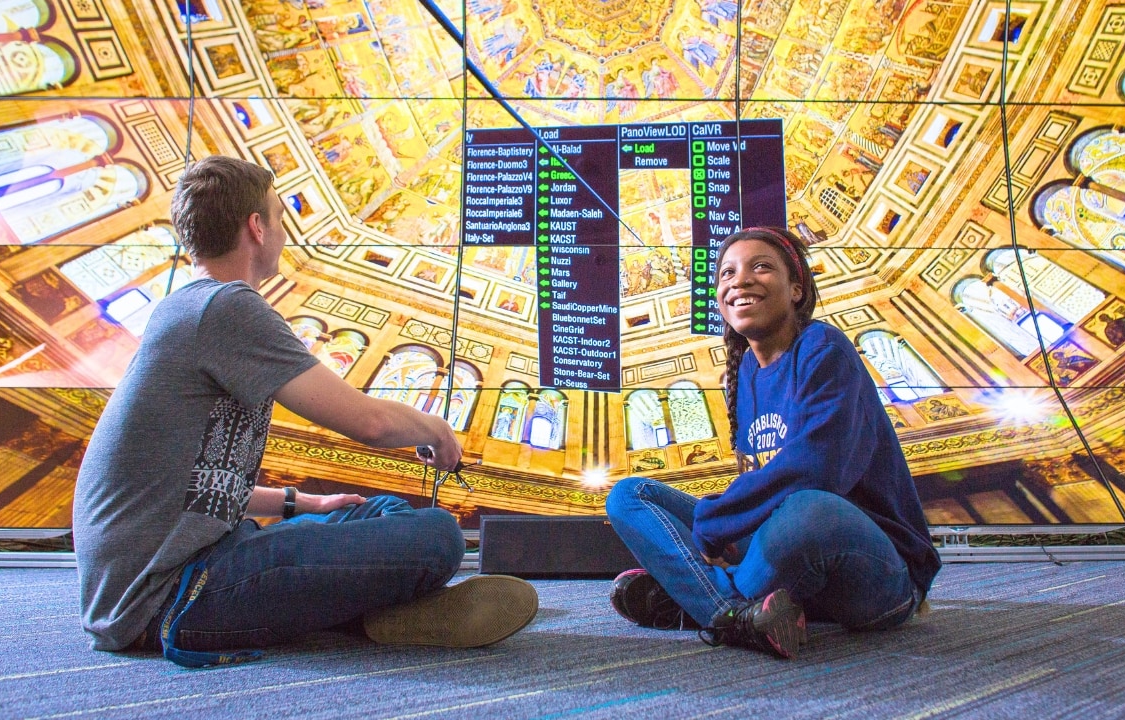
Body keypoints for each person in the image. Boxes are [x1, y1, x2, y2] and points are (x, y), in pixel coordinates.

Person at [73, 156, 537, 667]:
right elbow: (370, 422)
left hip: (200, 561)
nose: (283, 231)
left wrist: (305, 505)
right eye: (278, 216)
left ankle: (373, 611)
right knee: (437, 537)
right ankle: (374, 617)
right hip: (167, 597)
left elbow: (192, 487)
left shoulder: (187, 306)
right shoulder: (226, 306)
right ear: (256, 227)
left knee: (373, 513)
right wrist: (435, 428)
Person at [605, 226, 940, 659]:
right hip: (794, 552)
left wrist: (714, 523)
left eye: (760, 267)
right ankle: (742, 615)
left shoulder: (824, 347)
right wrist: (726, 523)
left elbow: (819, 468)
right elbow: (761, 478)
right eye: (727, 274)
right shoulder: (744, 373)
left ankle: (702, 602)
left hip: (876, 574)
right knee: (631, 494)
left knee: (809, 508)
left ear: (796, 288)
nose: (738, 281)